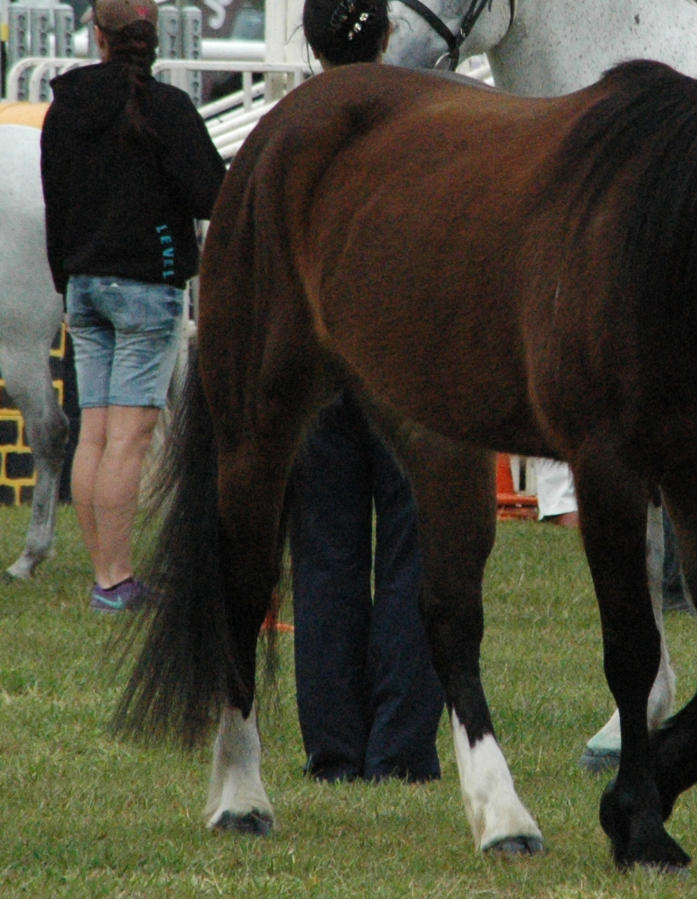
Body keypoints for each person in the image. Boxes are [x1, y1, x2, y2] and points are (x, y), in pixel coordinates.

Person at [288, 0, 444, 784]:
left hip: (313, 359)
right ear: (388, 36)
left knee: (324, 553)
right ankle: (402, 746)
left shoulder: (289, 129)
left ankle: (333, 748)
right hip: (405, 361)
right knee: (416, 549)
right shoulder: (422, 127)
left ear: (310, 42)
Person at [40, 0, 224, 612]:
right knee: (128, 439)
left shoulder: (63, 109)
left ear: (98, 36)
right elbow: (210, 194)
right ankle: (117, 582)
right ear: (152, 39)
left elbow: (55, 202)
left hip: (84, 284)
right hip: (147, 286)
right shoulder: (166, 109)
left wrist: (67, 276)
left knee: (93, 433)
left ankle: (107, 576)